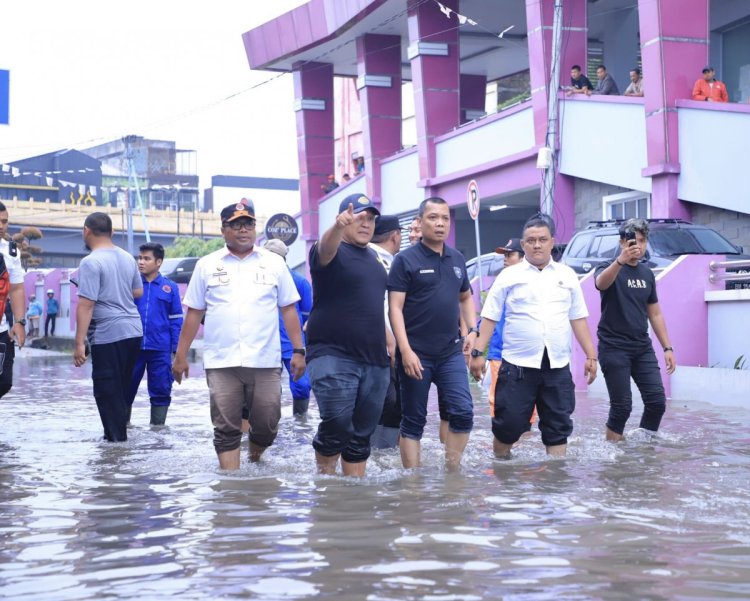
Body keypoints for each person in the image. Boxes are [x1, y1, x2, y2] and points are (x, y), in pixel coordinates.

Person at [172, 199, 305, 470]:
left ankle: (255, 460)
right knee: (225, 427)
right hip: (222, 361)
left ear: (255, 229)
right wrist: (180, 356)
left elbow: (289, 309)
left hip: (265, 360)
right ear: (223, 230)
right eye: (235, 225)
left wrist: (299, 351)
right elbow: (194, 313)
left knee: (268, 423)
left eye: (248, 224)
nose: (243, 230)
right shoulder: (207, 265)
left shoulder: (273, 264)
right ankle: (231, 486)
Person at [469, 214, 598, 458]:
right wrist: (477, 353)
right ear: (524, 244)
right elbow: (490, 317)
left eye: (542, 239)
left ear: (552, 242)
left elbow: (578, 318)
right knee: (508, 427)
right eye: (530, 241)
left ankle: (555, 486)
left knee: (558, 428)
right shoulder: (509, 276)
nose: (536, 245)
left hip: (557, 366)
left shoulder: (567, 275)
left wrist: (591, 355)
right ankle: (503, 475)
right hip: (518, 367)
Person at [388, 197, 478, 470]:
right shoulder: (405, 260)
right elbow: (395, 308)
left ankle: (452, 473)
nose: (440, 223)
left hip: (450, 351)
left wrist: (472, 329)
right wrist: (405, 351)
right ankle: (412, 483)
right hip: (417, 353)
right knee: (414, 421)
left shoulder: (457, 259)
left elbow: (465, 298)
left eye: (445, 218)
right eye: (433, 217)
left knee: (463, 413)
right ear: (419, 222)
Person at [306, 193, 389, 477]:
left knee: (361, 435)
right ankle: (325, 480)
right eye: (359, 218)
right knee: (338, 422)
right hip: (333, 354)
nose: (366, 224)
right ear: (345, 219)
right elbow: (324, 248)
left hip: (375, 359)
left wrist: (391, 342)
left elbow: (376, 306)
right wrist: (337, 228)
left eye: (371, 219)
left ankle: (354, 498)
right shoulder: (332, 250)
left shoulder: (377, 260)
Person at [594, 218, 676, 442]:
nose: (637, 246)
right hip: (613, 347)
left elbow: (655, 313)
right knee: (622, 407)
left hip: (642, 347)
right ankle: (615, 457)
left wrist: (667, 347)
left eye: (642, 240)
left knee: (657, 402)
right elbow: (601, 284)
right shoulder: (608, 268)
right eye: (632, 241)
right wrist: (620, 261)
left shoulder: (647, 274)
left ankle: (643, 450)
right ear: (622, 243)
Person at [73, 212, 143, 442]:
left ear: (86, 231)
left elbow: (86, 304)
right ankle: (115, 441)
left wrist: (79, 343)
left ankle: (116, 451)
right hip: (133, 331)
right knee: (119, 391)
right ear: (111, 232)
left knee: (106, 391)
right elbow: (137, 292)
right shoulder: (127, 257)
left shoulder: (91, 262)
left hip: (108, 334)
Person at [126, 242, 184, 426]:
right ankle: (121, 431)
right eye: (140, 258)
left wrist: (176, 351)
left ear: (158, 262)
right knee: (125, 389)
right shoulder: (130, 285)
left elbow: (176, 320)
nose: (141, 262)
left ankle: (158, 434)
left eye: (146, 258)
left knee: (161, 390)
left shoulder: (170, 287)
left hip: (160, 349)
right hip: (132, 347)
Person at [263, 238, 313, 416]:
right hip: (265, 344)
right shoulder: (258, 282)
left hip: (292, 346)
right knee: (268, 390)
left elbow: (309, 315)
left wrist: (304, 347)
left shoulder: (299, 282)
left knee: (302, 385)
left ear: (283, 259)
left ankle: (300, 423)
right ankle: (270, 426)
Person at [368, 214, 403, 449]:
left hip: (390, 343)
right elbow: (372, 303)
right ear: (395, 235)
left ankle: (382, 454)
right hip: (381, 343)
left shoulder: (391, 260)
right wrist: (389, 338)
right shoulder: (374, 260)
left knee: (391, 400)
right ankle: (375, 452)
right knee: (387, 400)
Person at [485, 239, 525, 418]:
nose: (505, 259)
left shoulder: (531, 284)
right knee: (498, 402)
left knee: (526, 404)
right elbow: (487, 318)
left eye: (510, 255)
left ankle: (525, 441)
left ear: (523, 258)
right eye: (504, 255)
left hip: (526, 356)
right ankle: (499, 441)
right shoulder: (500, 283)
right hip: (499, 353)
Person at [0, 201, 27, 401]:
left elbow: (17, 288)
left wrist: (19, 322)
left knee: (4, 380)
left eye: (4, 221)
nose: (1, 226)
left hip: (2, 327)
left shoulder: (11, 251)